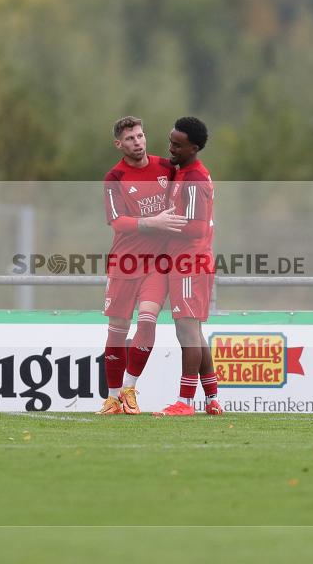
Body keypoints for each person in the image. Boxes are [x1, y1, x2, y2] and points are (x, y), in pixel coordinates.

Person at [99, 116, 187, 415]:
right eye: (130, 139)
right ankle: (112, 398)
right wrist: (153, 221)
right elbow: (117, 222)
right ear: (119, 144)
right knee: (117, 330)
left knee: (148, 321)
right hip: (124, 262)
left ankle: (129, 388)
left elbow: (191, 192)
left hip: (157, 263)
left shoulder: (167, 168)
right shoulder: (115, 178)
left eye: (140, 136)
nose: (137, 142)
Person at [154, 116, 223, 416]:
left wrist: (160, 227)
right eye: (170, 141)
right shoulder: (185, 172)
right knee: (195, 331)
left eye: (177, 145)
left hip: (190, 263)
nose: (171, 148)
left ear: (193, 148)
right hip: (187, 261)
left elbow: (195, 228)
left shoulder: (194, 178)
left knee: (187, 332)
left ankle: (184, 402)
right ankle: (212, 399)